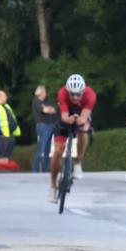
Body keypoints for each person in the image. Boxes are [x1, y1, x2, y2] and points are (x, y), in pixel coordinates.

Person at [49, 74, 96, 202]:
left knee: (84, 131)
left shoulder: (90, 95)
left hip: (82, 113)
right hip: (66, 115)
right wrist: (69, 119)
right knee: (58, 151)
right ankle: (53, 185)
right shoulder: (62, 93)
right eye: (72, 94)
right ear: (68, 91)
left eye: (78, 94)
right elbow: (64, 116)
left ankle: (78, 162)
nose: (75, 97)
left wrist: (80, 120)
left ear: (83, 92)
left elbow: (84, 117)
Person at [31, 85, 58, 173]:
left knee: (47, 150)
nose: (46, 93)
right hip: (43, 126)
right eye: (45, 92)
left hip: (50, 126)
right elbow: (45, 110)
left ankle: (45, 169)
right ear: (42, 92)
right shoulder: (36, 101)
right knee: (41, 148)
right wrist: (49, 109)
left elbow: (53, 110)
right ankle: (35, 169)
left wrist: (48, 109)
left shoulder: (46, 102)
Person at [0, 90, 20, 163]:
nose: (6, 97)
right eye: (5, 96)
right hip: (2, 134)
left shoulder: (7, 106)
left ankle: (4, 166)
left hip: (10, 133)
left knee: (7, 153)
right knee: (0, 153)